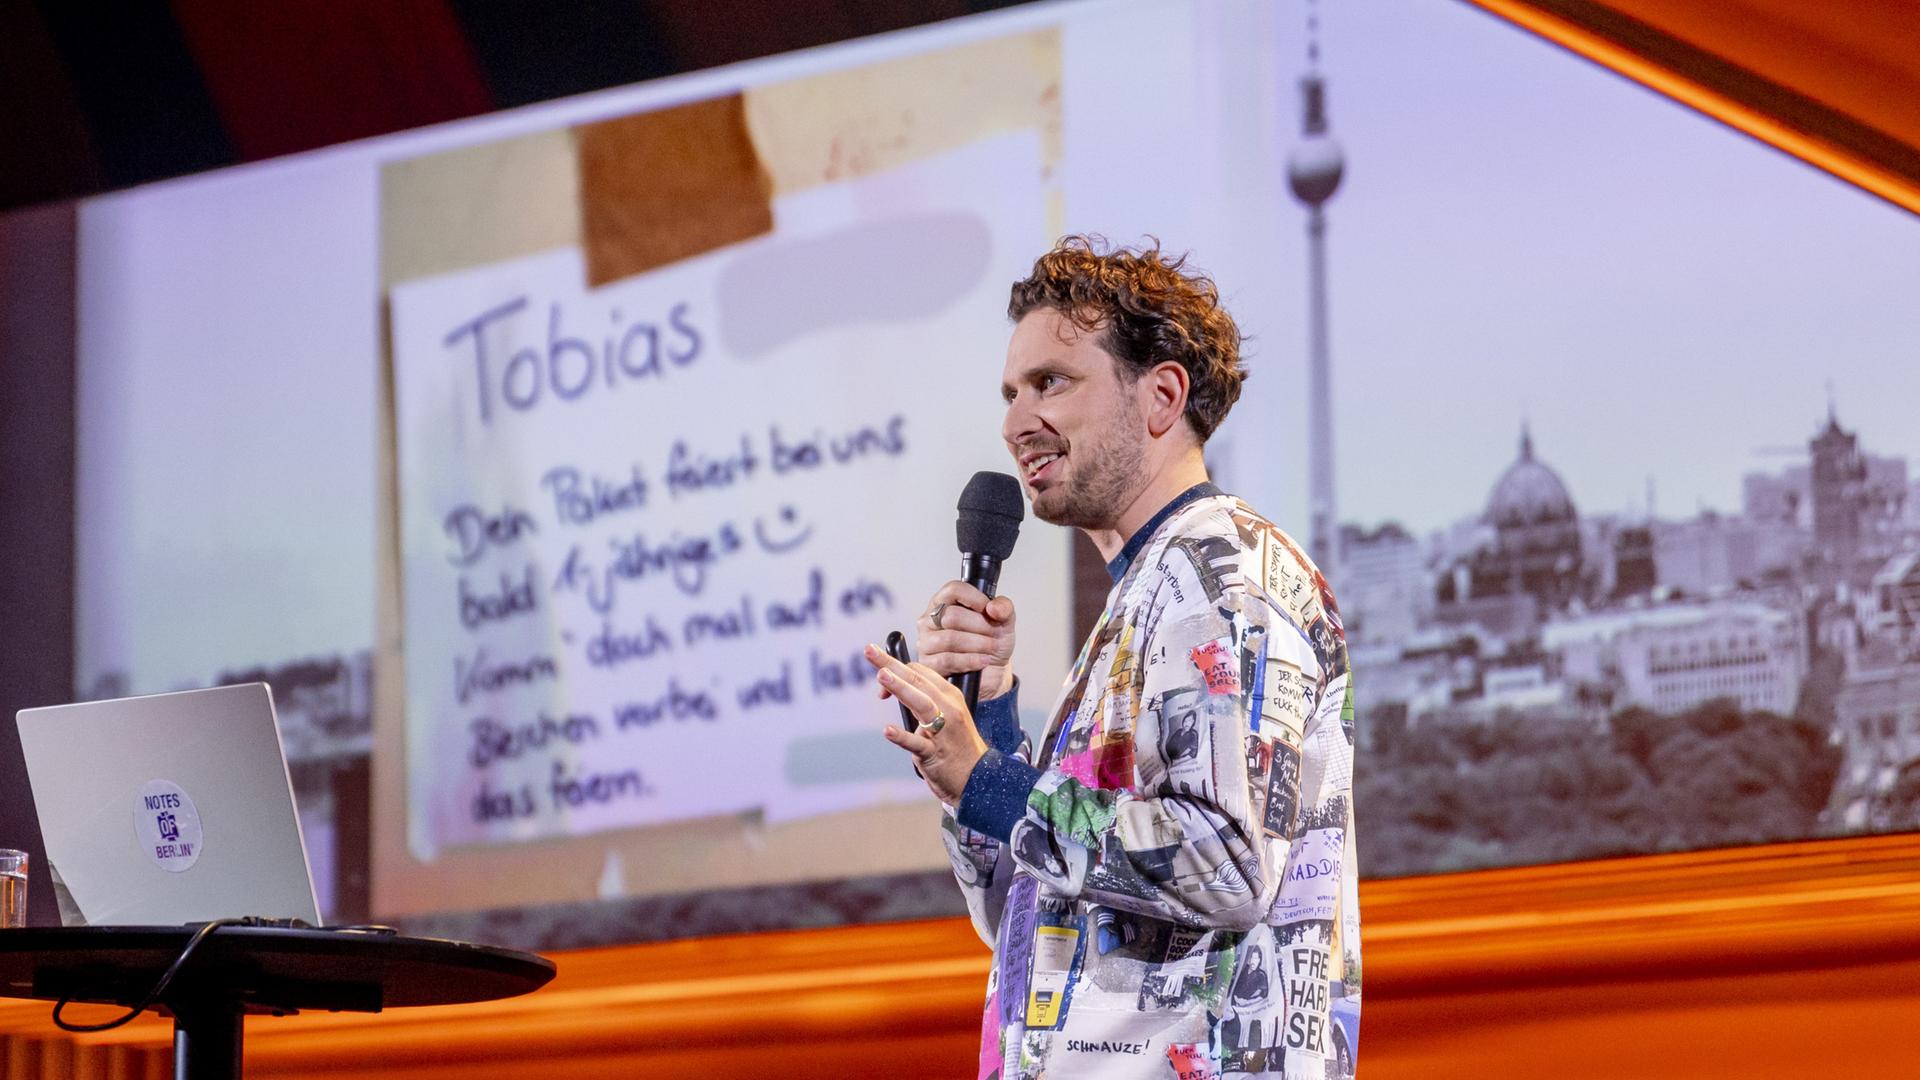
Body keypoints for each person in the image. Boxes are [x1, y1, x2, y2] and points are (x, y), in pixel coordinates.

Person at [863, 236, 1360, 1080]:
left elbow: (1228, 864)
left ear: (1161, 394)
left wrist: (988, 780)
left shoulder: (1228, 575)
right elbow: (1022, 910)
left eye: (1051, 382)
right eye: (1011, 392)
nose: (1017, 421)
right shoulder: (1142, 599)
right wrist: (984, 719)